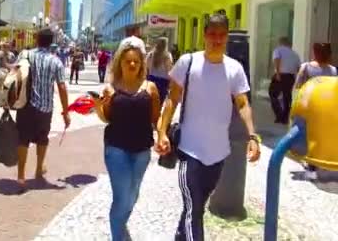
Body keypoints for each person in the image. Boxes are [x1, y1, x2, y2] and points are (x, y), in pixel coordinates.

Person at [155, 13, 261, 241]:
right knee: (194, 208)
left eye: (221, 35)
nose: (216, 39)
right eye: (212, 34)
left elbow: (242, 103)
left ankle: (180, 236)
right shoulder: (188, 62)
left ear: (227, 38)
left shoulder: (234, 68)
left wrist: (252, 135)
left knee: (196, 207)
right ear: (204, 35)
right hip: (188, 151)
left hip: (217, 155)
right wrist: (162, 132)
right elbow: (172, 99)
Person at [92, 37, 160, 241]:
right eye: (127, 61)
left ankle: (121, 230)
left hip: (141, 151)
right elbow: (107, 117)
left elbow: (155, 119)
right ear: (120, 62)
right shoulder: (111, 89)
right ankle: (118, 236)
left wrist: (164, 136)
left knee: (133, 196)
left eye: (136, 61)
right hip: (116, 149)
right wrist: (98, 106)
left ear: (141, 64)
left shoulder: (150, 88)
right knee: (122, 198)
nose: (131, 64)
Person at [16, 28, 70, 191]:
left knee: (22, 139)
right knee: (42, 138)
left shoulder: (26, 55)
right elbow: (61, 87)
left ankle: (21, 176)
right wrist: (65, 112)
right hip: (45, 108)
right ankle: (39, 169)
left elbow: (16, 72)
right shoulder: (56, 62)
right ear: (52, 41)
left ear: (37, 39)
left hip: (25, 105)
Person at [294, 42, 337, 181]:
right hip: (325, 108)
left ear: (314, 52)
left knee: (309, 135)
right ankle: (318, 162)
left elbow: (298, 86)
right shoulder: (333, 71)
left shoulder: (306, 67)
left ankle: (312, 164)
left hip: (309, 108)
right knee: (320, 135)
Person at [268, 37, 301, 124]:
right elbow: (298, 68)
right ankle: (285, 118)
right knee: (287, 97)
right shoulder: (295, 54)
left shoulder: (278, 50)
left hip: (281, 75)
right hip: (290, 77)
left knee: (273, 93)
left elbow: (276, 60)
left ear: (281, 42)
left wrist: (278, 73)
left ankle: (279, 115)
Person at [146, 37, 173, 103]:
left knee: (150, 101)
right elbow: (169, 70)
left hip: (151, 79)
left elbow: (146, 67)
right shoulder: (167, 56)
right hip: (163, 82)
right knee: (159, 102)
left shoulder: (150, 54)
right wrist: (171, 83)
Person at [0, 41, 16, 106]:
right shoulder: (11, 54)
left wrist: (0, 44)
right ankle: (5, 102)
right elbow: (14, 64)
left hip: (2, 71)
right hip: (7, 72)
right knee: (5, 88)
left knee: (1, 88)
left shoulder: (0, 53)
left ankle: (2, 102)